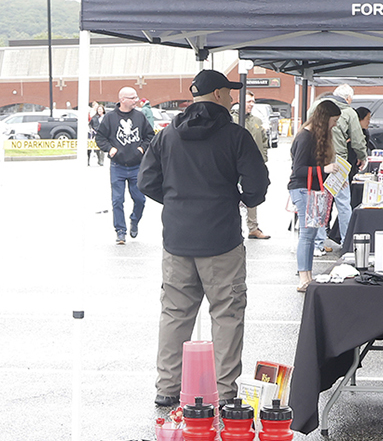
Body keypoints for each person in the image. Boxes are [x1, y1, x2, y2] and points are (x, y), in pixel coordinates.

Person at [139, 69, 269, 407]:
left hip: (178, 239)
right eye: (230, 92)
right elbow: (257, 185)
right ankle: (224, 392)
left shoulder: (167, 135)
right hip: (221, 239)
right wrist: (239, 199)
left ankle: (167, 387)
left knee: (175, 314)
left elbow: (146, 181)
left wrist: (176, 202)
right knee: (227, 315)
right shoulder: (235, 135)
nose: (233, 98)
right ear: (218, 94)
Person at [288, 98, 341, 291]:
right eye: (334, 121)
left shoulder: (310, 135)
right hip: (302, 189)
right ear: (325, 119)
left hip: (308, 189)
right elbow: (299, 169)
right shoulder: (306, 137)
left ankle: (307, 275)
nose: (334, 125)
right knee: (307, 234)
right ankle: (304, 276)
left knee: (309, 234)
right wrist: (325, 169)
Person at [93, 87, 157, 244]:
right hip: (118, 166)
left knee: (140, 199)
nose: (136, 100)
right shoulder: (110, 118)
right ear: (122, 99)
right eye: (132, 98)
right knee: (117, 200)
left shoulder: (140, 117)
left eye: (136, 97)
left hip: (136, 166)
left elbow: (150, 136)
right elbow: (100, 138)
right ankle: (120, 231)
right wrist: (110, 148)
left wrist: (141, 149)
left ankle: (134, 220)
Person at [328, 84, 368, 247]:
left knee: (321, 201)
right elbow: (357, 139)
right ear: (348, 98)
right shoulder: (349, 112)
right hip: (338, 160)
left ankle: (318, 242)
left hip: (318, 159)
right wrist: (362, 156)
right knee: (343, 202)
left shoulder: (317, 106)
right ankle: (347, 240)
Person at [242, 100, 273, 240]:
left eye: (253, 102)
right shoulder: (233, 119)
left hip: (253, 165)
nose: (251, 104)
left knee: (252, 194)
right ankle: (236, 227)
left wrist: (263, 158)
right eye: (248, 101)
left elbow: (264, 140)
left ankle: (253, 228)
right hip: (238, 164)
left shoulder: (257, 120)